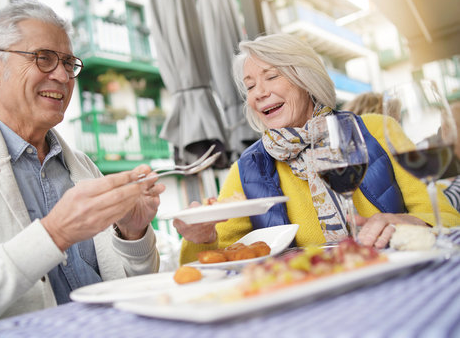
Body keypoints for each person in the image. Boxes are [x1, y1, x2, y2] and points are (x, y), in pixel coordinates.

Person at [0, 0, 164, 337]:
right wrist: (53, 234)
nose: (62, 76)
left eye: (69, 62)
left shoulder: (83, 166)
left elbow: (139, 289)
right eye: (43, 58)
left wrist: (133, 235)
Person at [174, 33, 460, 265]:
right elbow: (207, 261)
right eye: (250, 86)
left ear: (305, 79)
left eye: (271, 76)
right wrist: (201, 236)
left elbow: (447, 218)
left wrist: (409, 224)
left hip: (396, 275)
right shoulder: (247, 169)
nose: (259, 93)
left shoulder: (373, 130)